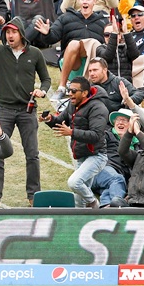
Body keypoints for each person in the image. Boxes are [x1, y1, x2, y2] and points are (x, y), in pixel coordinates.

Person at [0, 8, 51, 207]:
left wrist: (42, 90)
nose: (9, 35)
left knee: (32, 154)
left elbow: (46, 79)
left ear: (21, 34)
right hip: (4, 110)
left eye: (13, 32)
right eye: (7, 32)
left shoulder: (35, 54)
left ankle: (34, 196)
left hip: (27, 111)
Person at [41, 76, 109, 208]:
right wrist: (49, 119)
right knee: (78, 201)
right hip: (81, 155)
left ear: (84, 93)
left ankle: (94, 202)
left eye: (73, 91)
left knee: (74, 182)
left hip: (96, 155)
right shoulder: (73, 105)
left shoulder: (98, 108)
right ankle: (85, 222)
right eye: (69, 90)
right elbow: (60, 122)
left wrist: (72, 132)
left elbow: (96, 135)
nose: (69, 93)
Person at [34, 0, 109, 102]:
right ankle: (62, 87)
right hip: (73, 64)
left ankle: (100, 84)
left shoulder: (103, 20)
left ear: (95, 1)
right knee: (75, 44)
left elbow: (110, 46)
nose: (85, 1)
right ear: (78, 1)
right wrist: (47, 33)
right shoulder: (66, 17)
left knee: (95, 45)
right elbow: (52, 38)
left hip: (94, 65)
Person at [92, 108, 131, 207]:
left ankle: (107, 209)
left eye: (124, 120)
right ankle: (118, 207)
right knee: (117, 179)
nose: (120, 123)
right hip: (100, 170)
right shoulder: (106, 135)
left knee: (108, 191)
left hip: (112, 179)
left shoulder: (137, 144)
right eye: (118, 120)